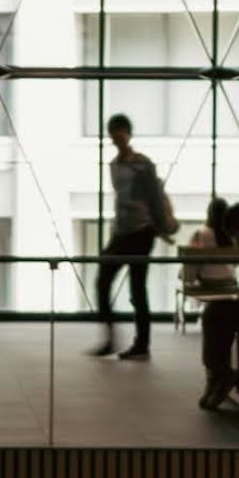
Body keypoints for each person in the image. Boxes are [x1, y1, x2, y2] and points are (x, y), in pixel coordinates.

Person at [91, 115, 170, 357]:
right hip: (121, 231)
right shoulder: (114, 164)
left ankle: (142, 344)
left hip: (141, 231)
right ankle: (111, 338)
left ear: (128, 133)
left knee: (137, 289)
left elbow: (155, 196)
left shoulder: (142, 163)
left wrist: (160, 226)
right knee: (102, 281)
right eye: (112, 131)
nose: (116, 135)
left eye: (120, 131)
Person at [180, 196, 239, 414]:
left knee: (213, 319)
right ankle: (219, 376)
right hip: (231, 288)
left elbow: (190, 270)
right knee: (221, 317)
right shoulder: (235, 239)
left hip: (212, 290)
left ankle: (216, 375)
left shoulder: (201, 234)